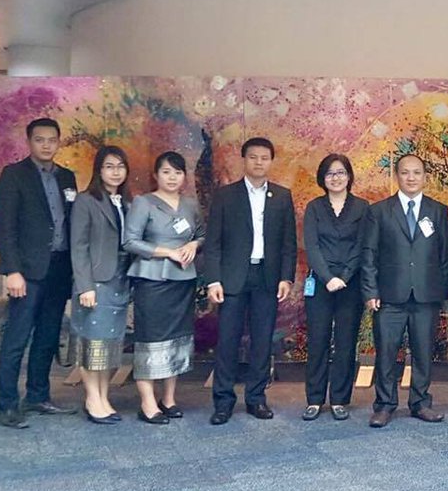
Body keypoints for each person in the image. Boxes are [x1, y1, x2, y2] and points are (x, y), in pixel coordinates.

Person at [204, 137, 297, 425]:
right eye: (253, 157)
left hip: (267, 277)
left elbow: (288, 243)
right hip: (232, 278)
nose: (259, 162)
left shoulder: (281, 196)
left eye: (264, 158)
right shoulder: (226, 195)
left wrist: (286, 277)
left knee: (262, 341)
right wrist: (213, 280)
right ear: (244, 159)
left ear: (271, 161)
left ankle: (256, 398)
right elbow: (213, 242)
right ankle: (223, 401)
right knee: (228, 341)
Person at [0, 117, 79, 428]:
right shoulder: (14, 175)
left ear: (59, 142)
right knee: (17, 337)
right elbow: (6, 228)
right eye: (39, 139)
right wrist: (12, 271)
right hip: (27, 271)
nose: (46, 145)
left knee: (48, 335)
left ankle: (38, 396)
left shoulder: (67, 177)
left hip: (59, 268)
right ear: (29, 142)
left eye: (51, 139)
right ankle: (7, 404)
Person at [361, 154, 448, 428]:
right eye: (405, 172)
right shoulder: (379, 211)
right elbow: (369, 254)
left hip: (426, 296)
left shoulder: (438, 210)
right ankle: (385, 405)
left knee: (423, 353)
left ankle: (420, 403)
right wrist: (370, 291)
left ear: (425, 177)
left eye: (416, 172)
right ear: (396, 176)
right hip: (389, 296)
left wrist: (444, 293)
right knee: (387, 352)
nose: (411, 178)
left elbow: (445, 255)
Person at [123, 152, 205, 425]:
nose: (172, 178)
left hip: (182, 280)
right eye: (166, 172)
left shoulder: (190, 205)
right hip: (152, 280)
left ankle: (169, 399)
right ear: (156, 175)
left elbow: (201, 235)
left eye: (178, 172)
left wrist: (193, 244)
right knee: (151, 339)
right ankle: (147, 403)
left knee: (177, 338)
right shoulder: (143, 202)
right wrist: (166, 252)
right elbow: (130, 242)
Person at [301, 154, 370, 421]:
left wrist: (345, 275)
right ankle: (314, 399)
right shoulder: (314, 207)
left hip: (350, 284)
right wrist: (328, 277)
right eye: (330, 173)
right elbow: (312, 245)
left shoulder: (362, 207)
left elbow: (362, 245)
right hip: (320, 283)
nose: (336, 178)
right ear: (323, 178)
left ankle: (340, 399)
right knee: (317, 340)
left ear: (349, 176)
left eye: (341, 172)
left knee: (346, 342)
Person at [69, 145, 132, 424]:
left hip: (120, 279)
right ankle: (92, 399)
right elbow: (78, 246)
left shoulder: (126, 202)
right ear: (99, 170)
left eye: (120, 166)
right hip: (95, 281)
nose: (115, 172)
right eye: (109, 166)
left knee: (109, 343)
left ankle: (104, 397)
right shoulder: (86, 201)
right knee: (92, 341)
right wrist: (85, 286)